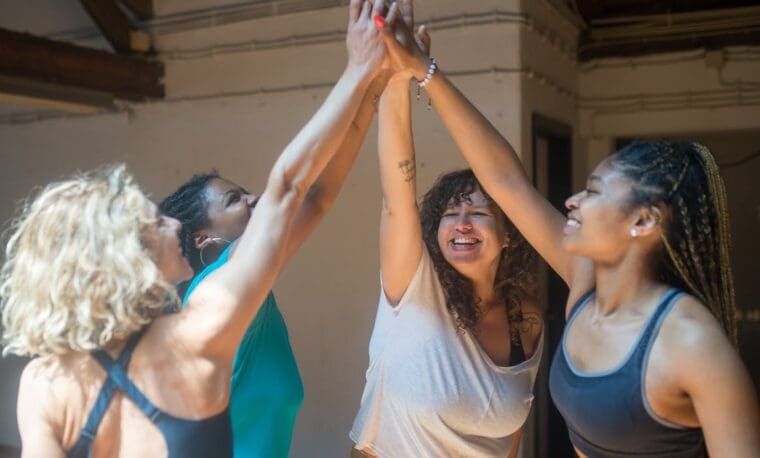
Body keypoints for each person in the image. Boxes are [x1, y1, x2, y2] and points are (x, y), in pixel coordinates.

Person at [0, 1, 392, 455]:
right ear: (127, 258)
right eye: (155, 221)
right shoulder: (201, 330)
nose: (171, 223)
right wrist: (359, 71)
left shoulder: (44, 382)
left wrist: (366, 81)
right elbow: (288, 190)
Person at [375, 3, 760, 455]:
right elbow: (506, 180)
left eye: (593, 191)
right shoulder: (586, 289)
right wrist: (422, 70)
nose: (573, 200)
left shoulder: (691, 343)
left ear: (643, 220)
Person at [157, 8, 395, 458]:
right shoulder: (218, 291)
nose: (252, 200)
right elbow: (288, 188)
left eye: (245, 192)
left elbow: (319, 195)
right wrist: (358, 69)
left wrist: (373, 90)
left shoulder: (249, 287)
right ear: (205, 239)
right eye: (233, 201)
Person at [350, 3, 543, 456]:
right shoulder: (413, 286)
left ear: (509, 233)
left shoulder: (525, 318)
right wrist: (399, 78)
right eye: (449, 214)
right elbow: (397, 197)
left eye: (477, 213)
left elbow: (509, 438)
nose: (460, 224)